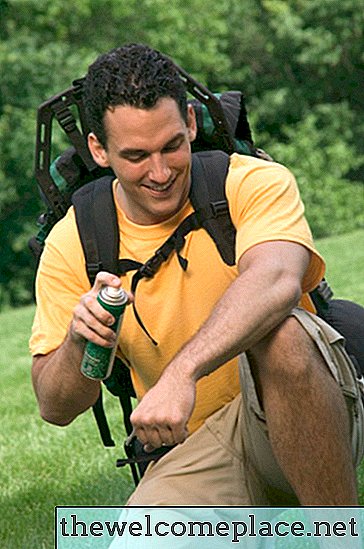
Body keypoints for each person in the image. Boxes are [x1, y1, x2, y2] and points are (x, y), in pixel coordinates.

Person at [30, 43, 364, 506]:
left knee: (283, 335)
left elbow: (277, 280)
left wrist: (180, 374)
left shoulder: (251, 181)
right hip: (191, 447)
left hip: (303, 410)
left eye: (171, 146)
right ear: (99, 150)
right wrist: (76, 342)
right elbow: (54, 406)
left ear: (190, 122)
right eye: (136, 156)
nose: (161, 172)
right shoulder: (73, 241)